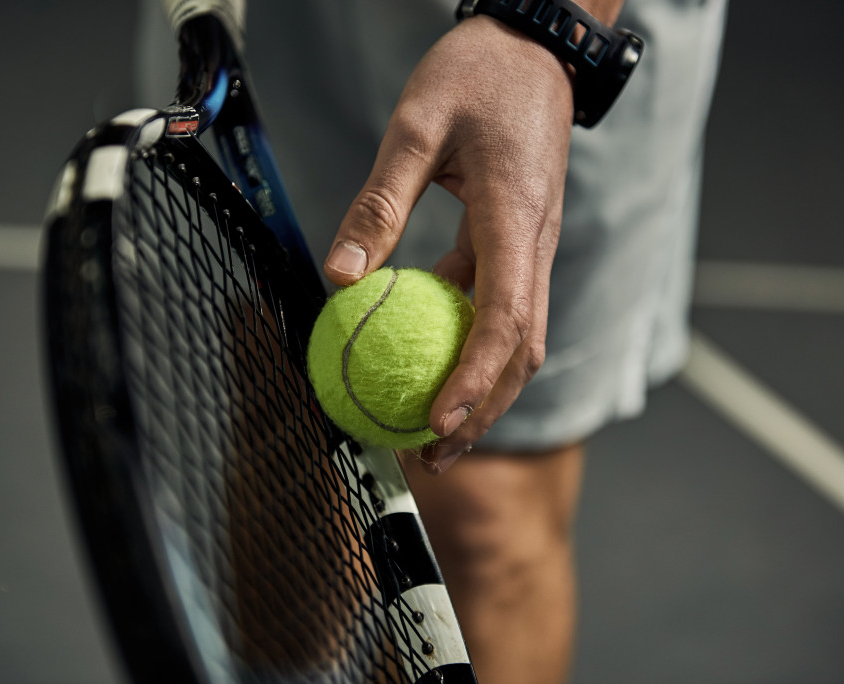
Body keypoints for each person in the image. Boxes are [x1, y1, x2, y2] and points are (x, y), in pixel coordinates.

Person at [139, 1, 728, 681]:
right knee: (286, 421)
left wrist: (546, 27)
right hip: (279, 20)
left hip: (552, 35)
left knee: (486, 516)